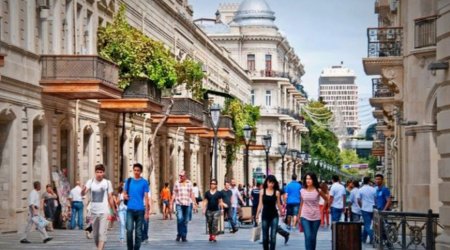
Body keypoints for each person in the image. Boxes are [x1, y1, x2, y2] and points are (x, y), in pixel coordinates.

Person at [82, 164, 115, 250]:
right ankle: (100, 248)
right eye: (97, 172)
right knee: (96, 235)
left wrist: (113, 210)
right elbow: (83, 193)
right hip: (93, 212)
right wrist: (82, 190)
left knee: (102, 233)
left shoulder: (107, 183)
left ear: (103, 173)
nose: (99, 174)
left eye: (101, 172)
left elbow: (110, 197)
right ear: (95, 172)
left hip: (104, 212)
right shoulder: (91, 181)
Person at [123, 163, 150, 250]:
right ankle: (130, 248)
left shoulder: (144, 182)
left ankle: (136, 248)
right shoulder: (129, 181)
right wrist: (124, 196)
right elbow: (124, 192)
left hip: (140, 210)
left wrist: (147, 212)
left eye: (138, 170)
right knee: (129, 230)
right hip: (130, 209)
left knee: (138, 232)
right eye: (135, 170)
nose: (136, 172)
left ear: (141, 171)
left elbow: (146, 197)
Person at [298, 173, 329, 250]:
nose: (308, 180)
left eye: (310, 179)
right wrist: (299, 215)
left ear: (313, 180)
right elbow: (301, 203)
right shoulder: (302, 190)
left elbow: (326, 199)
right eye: (307, 179)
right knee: (308, 236)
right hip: (304, 216)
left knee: (313, 237)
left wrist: (321, 210)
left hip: (316, 217)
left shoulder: (318, 190)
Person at [256, 175, 283, 250]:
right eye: (269, 182)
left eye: (273, 183)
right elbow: (260, 204)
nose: (271, 184)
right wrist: (257, 215)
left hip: (274, 215)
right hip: (265, 215)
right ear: (267, 182)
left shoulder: (277, 192)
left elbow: (278, 204)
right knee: (265, 237)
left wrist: (282, 213)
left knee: (273, 236)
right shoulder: (262, 191)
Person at [171, 170, 197, 242]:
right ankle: (179, 234)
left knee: (185, 220)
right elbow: (174, 193)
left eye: (182, 175)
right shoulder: (177, 183)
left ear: (185, 176)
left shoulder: (189, 183)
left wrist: (195, 204)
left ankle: (183, 236)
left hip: (188, 204)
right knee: (179, 219)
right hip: (179, 204)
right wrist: (171, 203)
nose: (180, 177)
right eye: (180, 175)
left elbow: (192, 194)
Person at [359, 176, 376, 244]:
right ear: (369, 181)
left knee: (367, 224)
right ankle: (363, 238)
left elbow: (358, 200)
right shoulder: (373, 189)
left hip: (365, 208)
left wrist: (361, 206)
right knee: (369, 224)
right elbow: (375, 199)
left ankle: (372, 237)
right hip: (373, 208)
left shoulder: (360, 190)